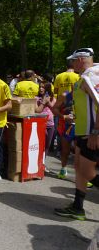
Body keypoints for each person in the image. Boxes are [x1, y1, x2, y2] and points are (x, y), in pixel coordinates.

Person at [55, 48, 98, 221]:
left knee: (87, 172)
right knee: (80, 169)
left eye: (73, 60)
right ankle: (77, 207)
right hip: (82, 131)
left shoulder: (90, 76)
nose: (72, 64)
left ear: (80, 60)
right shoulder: (82, 78)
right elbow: (69, 98)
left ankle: (77, 207)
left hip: (91, 132)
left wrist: (96, 132)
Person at [35, 82, 56, 171]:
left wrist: (48, 102)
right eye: (40, 87)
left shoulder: (52, 98)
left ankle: (42, 163)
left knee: (47, 145)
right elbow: (37, 111)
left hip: (50, 124)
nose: (41, 89)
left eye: (43, 87)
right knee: (40, 145)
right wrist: (43, 102)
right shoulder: (35, 98)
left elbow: (54, 109)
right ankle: (37, 164)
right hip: (40, 124)